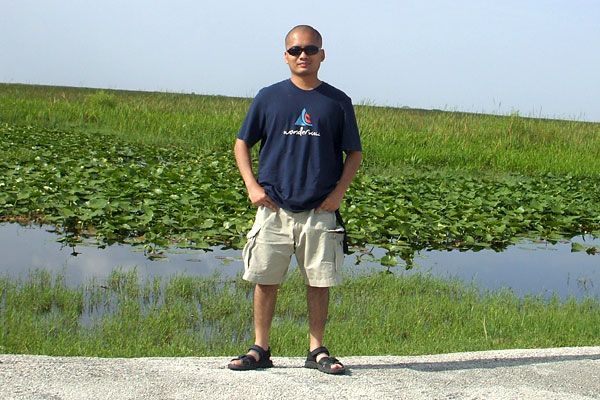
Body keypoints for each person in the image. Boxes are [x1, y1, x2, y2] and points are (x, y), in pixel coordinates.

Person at [228, 25, 362, 375]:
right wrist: (251, 186)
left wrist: (337, 195)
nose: (303, 55)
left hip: (319, 209)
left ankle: (317, 350)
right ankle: (260, 348)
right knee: (265, 279)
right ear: (285, 55)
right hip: (273, 207)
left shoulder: (337, 102)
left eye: (310, 49)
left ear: (322, 54)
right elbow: (242, 143)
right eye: (295, 50)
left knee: (319, 282)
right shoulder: (269, 97)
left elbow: (354, 154)